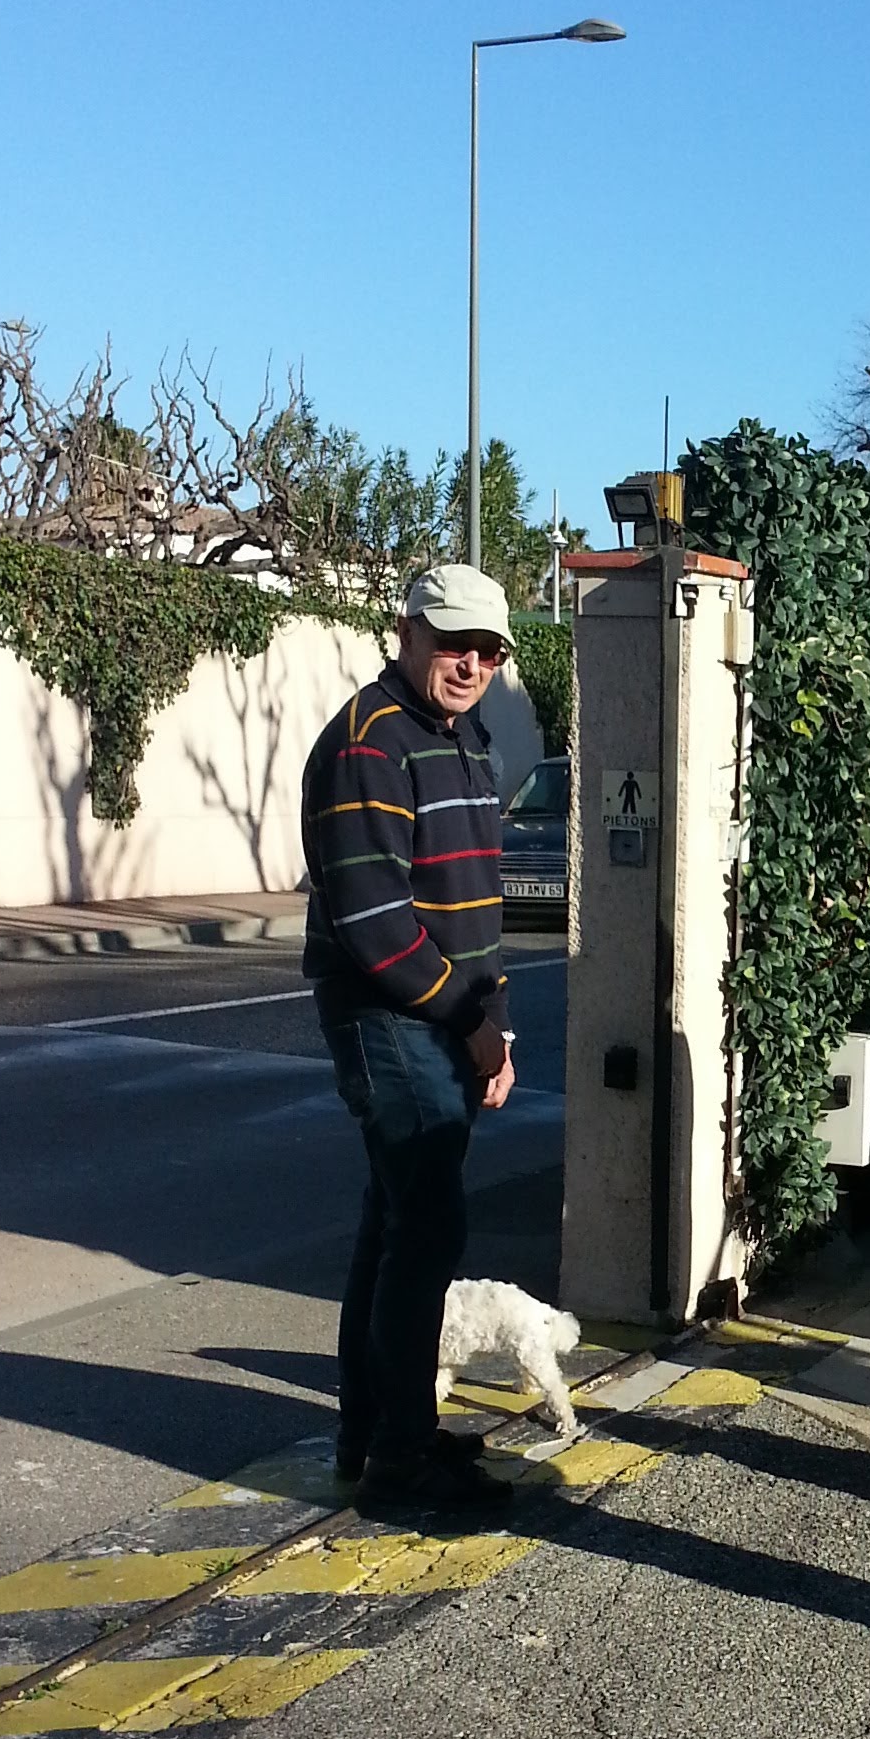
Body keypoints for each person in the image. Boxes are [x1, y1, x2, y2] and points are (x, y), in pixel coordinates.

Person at [302, 561, 519, 1520]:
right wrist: (471, 1024)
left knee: (395, 1227)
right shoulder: (370, 742)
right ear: (408, 632)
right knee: (426, 1229)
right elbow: (376, 923)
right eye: (452, 643)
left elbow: (474, 906)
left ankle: (376, 1436)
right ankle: (397, 1459)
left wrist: (496, 1026)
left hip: (442, 1023)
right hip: (389, 1018)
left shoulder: (462, 739)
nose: (469, 664)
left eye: (487, 650)